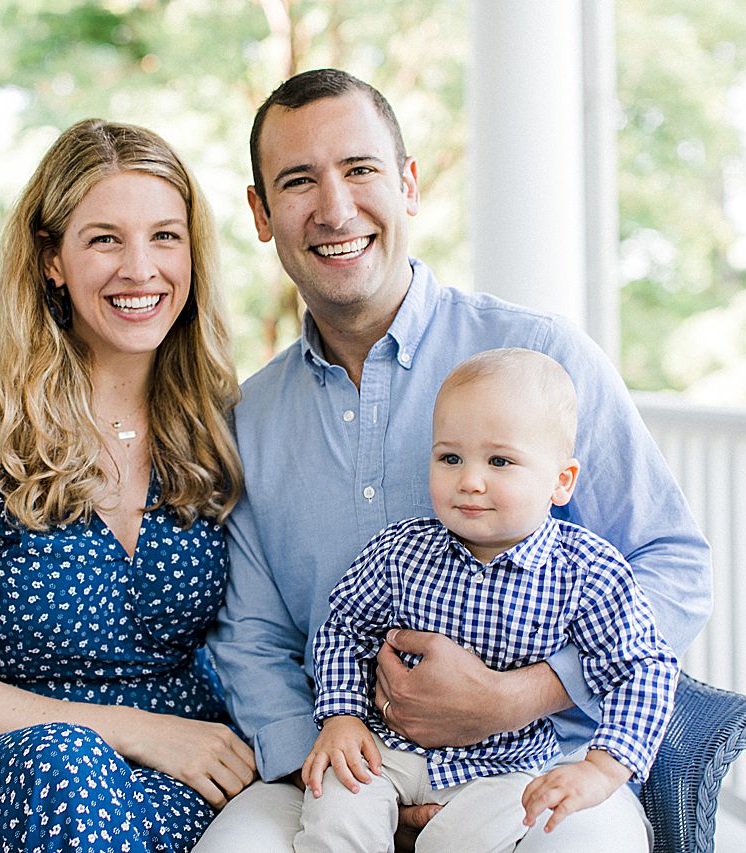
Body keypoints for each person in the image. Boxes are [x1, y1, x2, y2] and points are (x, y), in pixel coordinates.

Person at [195, 69, 712, 852]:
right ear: (262, 214)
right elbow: (253, 635)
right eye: (298, 181)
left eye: (360, 169)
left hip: (541, 768)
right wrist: (333, 761)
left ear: (408, 184)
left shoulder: (544, 358)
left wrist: (521, 693)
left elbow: (673, 566)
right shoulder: (248, 418)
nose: (335, 208)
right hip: (338, 767)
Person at [0, 118, 256, 852]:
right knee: (68, 765)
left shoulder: (223, 428)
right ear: (52, 260)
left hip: (185, 781)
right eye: (105, 238)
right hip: (8, 777)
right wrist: (141, 732)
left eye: (165, 237)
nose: (141, 268)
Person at [295, 348, 679, 853]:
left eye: (500, 461)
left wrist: (603, 768)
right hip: (386, 749)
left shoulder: (588, 571)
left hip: (503, 769)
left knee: (474, 837)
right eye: (450, 458)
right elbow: (345, 629)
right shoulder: (400, 548)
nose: (470, 480)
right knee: (335, 808)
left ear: (560, 481)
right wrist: (341, 716)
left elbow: (642, 666)